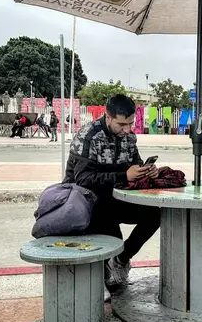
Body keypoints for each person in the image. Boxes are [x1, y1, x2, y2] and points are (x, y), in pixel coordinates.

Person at [63, 94, 160, 290]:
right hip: (86, 201)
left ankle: (121, 259)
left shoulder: (129, 137)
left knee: (156, 213)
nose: (127, 130)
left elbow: (135, 165)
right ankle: (104, 276)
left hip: (116, 198)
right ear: (108, 117)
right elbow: (83, 179)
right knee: (107, 223)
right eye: (121, 124)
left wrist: (147, 171)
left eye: (130, 124)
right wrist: (124, 176)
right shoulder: (88, 136)